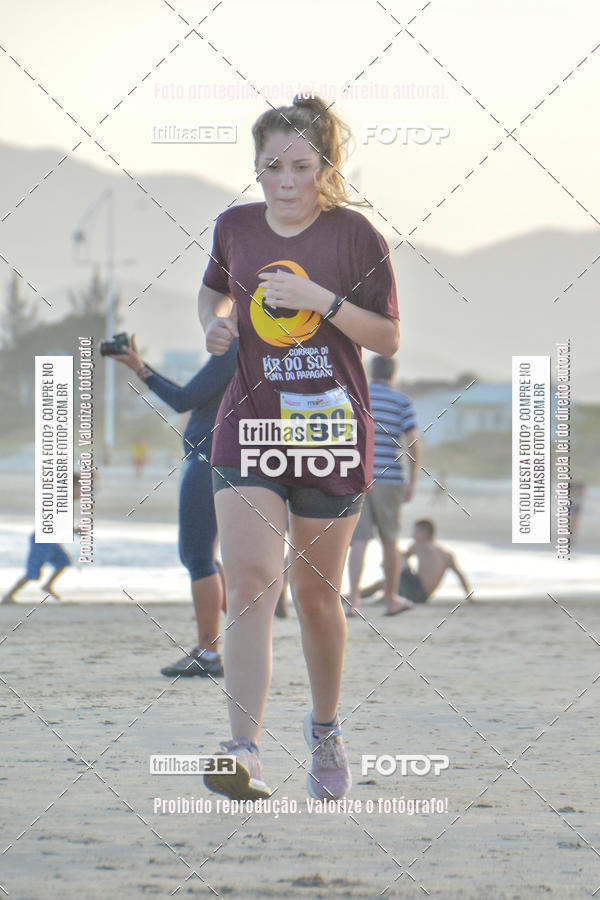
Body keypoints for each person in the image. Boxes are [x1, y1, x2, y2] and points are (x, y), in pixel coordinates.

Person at [197, 94, 400, 802]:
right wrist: (216, 328)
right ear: (257, 167)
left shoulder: (355, 237)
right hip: (249, 428)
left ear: (325, 166)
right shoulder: (235, 228)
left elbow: (387, 339)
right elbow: (213, 296)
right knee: (251, 582)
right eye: (271, 167)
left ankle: (324, 730)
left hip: (330, 437)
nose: (285, 181)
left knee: (317, 597)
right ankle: (244, 749)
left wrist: (322, 298)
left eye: (300, 166)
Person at [113, 335, 237, 678]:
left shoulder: (234, 351)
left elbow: (183, 399)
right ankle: (240, 636)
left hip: (207, 459)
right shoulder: (255, 350)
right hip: (222, 459)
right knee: (206, 555)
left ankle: (208, 651)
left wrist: (140, 369)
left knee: (197, 556)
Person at [346, 355, 419, 617]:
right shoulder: (401, 401)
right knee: (390, 540)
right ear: (393, 374)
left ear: (370, 371)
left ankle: (354, 601)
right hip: (389, 479)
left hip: (357, 477)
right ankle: (391, 599)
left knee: (358, 541)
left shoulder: (356, 396)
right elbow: (412, 440)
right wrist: (413, 480)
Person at [2, 475, 81, 603]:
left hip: (50, 540)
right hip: (42, 539)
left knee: (63, 561)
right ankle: (8, 596)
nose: (83, 492)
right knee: (33, 572)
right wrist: (74, 530)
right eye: (81, 488)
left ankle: (47, 585)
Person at [386, 519, 473, 605]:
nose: (413, 535)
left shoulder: (419, 545)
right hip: (424, 596)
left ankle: (386, 597)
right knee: (392, 574)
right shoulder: (447, 555)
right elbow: (460, 576)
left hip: (416, 590)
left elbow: (402, 558)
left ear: (425, 533)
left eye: (416, 532)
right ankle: (388, 595)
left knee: (393, 560)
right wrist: (469, 596)